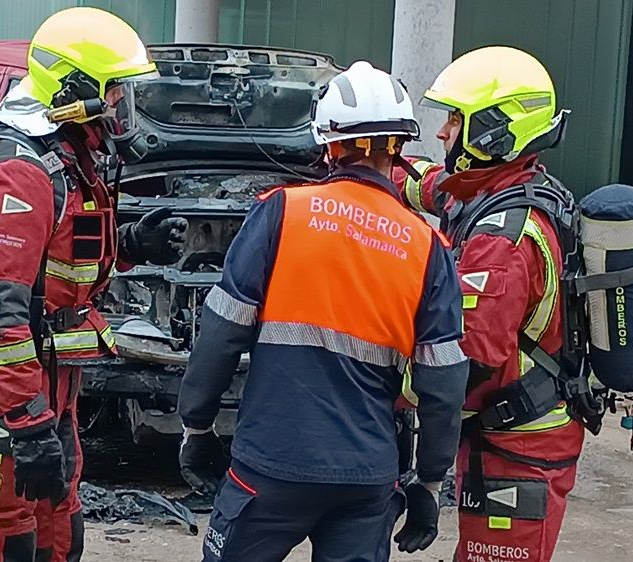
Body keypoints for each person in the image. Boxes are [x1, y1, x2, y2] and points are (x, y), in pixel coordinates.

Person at [177, 61, 469, 562]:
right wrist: (429, 482)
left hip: (271, 465)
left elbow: (220, 336)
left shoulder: (280, 212)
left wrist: (196, 427)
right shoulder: (429, 247)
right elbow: (442, 385)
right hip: (366, 478)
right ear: (399, 150)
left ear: (328, 143)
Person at [0, 8, 186, 562]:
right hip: (3, 396)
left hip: (52, 388)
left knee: (59, 536)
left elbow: (57, 260)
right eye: (115, 91)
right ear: (75, 88)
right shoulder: (20, 172)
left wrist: (129, 243)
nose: (123, 106)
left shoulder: (66, 161)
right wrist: (28, 425)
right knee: (3, 538)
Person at [397, 46, 583, 562]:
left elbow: (469, 360)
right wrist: (372, 159)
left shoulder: (502, 240)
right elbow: (431, 185)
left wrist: (387, 385)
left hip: (521, 451)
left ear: (492, 131)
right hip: (506, 435)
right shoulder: (497, 189)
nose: (442, 134)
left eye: (454, 121)